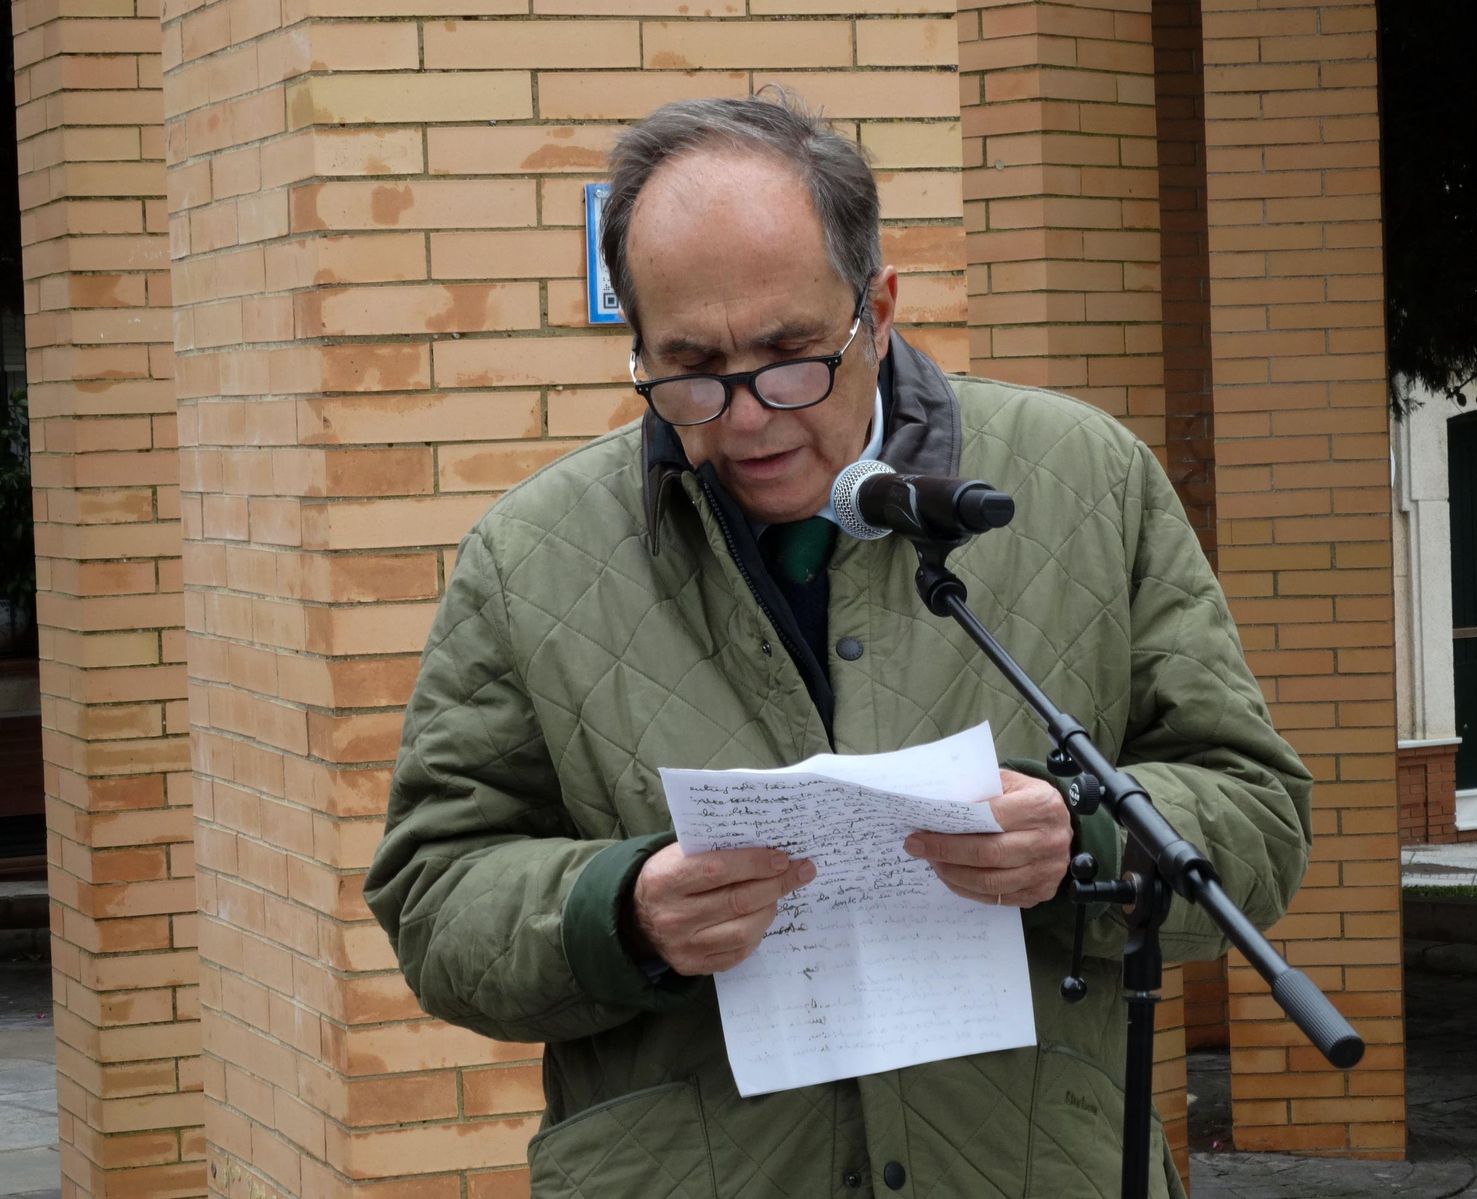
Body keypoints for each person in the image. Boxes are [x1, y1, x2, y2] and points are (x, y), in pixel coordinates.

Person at [365, 91, 1312, 1199]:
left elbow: (1255, 814)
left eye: (790, 353)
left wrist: (1080, 841)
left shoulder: (1086, 480)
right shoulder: (529, 556)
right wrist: (618, 911)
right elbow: (433, 899)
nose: (750, 415)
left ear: (880, 309)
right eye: (690, 369)